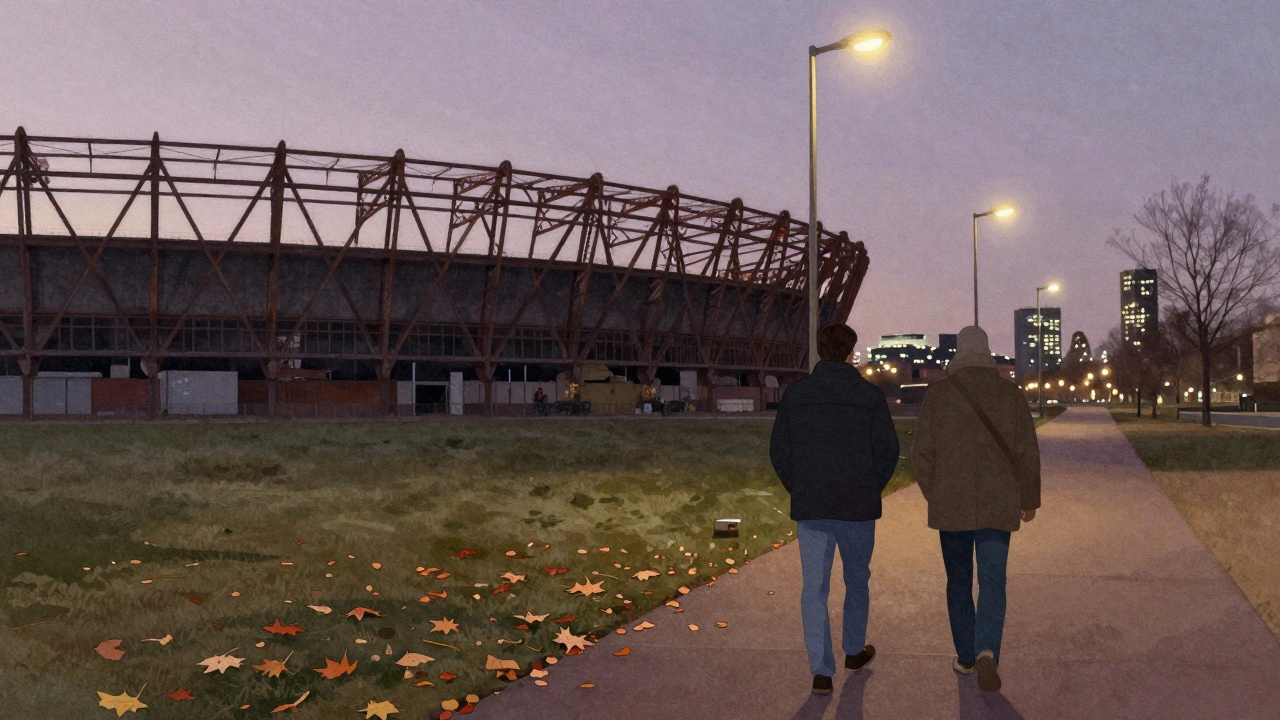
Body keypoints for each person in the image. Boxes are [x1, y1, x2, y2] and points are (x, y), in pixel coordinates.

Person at [769, 323, 900, 696]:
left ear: (819, 349)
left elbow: (780, 451)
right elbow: (888, 451)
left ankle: (821, 670)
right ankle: (854, 651)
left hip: (813, 508)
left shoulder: (797, 396)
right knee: (857, 581)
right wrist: (868, 486)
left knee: (814, 588)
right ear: (849, 351)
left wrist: (802, 486)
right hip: (857, 507)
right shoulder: (869, 396)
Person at [909, 326, 1041, 693]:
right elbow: (1027, 452)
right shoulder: (1011, 396)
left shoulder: (938, 395)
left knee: (959, 581)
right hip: (999, 504)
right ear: (987, 352)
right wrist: (1028, 499)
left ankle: (966, 657)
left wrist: (937, 493)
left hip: (952, 506)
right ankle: (987, 650)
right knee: (994, 581)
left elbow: (920, 455)